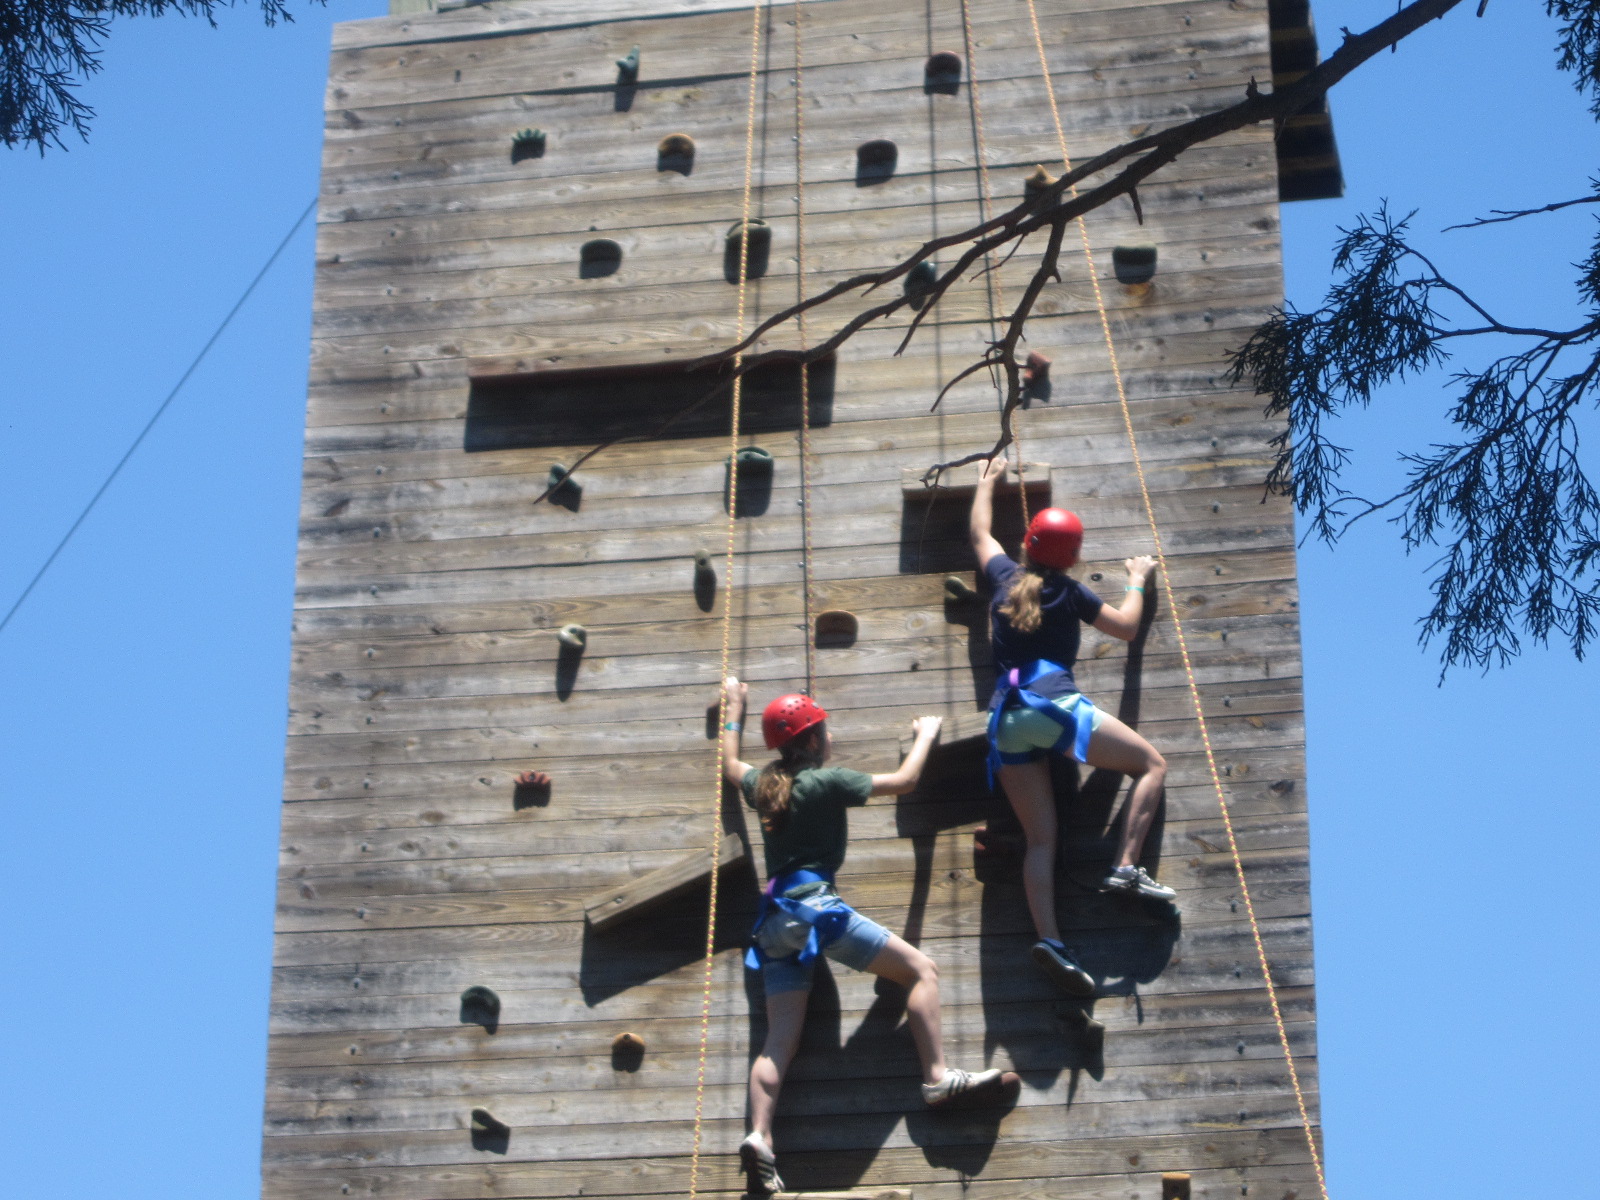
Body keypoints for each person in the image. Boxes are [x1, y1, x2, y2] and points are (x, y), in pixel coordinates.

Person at [719, 676, 1009, 1195]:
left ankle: (760, 1134)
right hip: (814, 911)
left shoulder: (763, 784)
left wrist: (733, 708)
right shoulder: (826, 783)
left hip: (772, 926)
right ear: (811, 741)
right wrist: (927, 732)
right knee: (921, 970)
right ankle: (938, 1078)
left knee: (779, 1040)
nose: (829, 738)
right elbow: (904, 781)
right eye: (824, 730)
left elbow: (729, 765)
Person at [968, 457, 1175, 1000]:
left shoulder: (1003, 578)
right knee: (1151, 765)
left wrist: (988, 481)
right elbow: (1127, 629)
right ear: (1074, 556)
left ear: (1029, 544)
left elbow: (980, 533)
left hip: (1004, 719)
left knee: (1042, 837)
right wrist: (1137, 580)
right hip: (1051, 705)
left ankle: (1052, 940)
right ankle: (1126, 867)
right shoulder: (1072, 592)